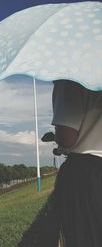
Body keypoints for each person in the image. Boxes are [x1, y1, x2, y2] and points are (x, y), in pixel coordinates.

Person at [51, 79, 102, 247]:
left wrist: (57, 134)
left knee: (85, 237)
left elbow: (67, 136)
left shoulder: (70, 79)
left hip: (86, 174)